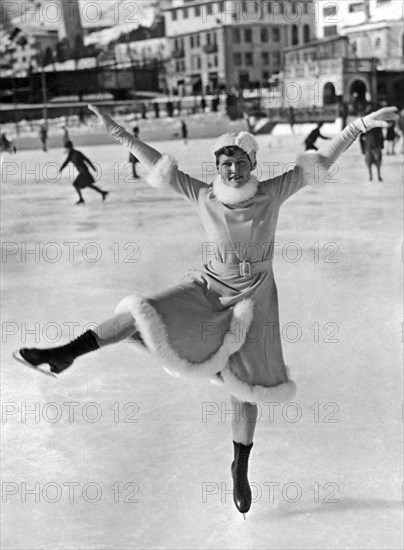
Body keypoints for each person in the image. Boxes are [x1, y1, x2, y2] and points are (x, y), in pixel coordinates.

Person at [15, 104, 398, 518]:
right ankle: (65, 353)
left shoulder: (273, 192)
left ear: (252, 163)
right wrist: (118, 133)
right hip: (208, 288)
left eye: (238, 162)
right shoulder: (204, 194)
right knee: (144, 311)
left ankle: (240, 467)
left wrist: (357, 126)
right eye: (224, 163)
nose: (231, 169)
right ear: (217, 166)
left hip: (255, 298)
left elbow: (319, 164)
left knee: (244, 388)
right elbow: (157, 162)